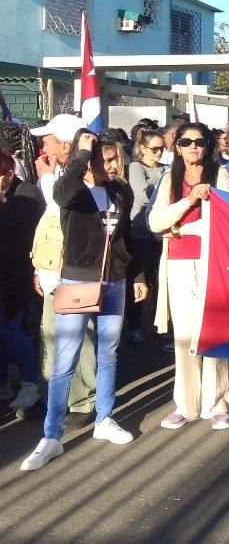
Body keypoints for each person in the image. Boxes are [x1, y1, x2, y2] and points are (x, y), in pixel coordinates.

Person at [20, 129, 145, 471]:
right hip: (77, 278)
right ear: (89, 161)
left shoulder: (119, 190)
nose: (113, 165)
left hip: (114, 282)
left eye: (115, 158)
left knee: (108, 353)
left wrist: (137, 276)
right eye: (104, 159)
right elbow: (60, 196)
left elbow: (126, 238)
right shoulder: (74, 190)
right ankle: (51, 436)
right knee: (65, 359)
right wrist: (80, 155)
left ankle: (105, 418)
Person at [149, 123, 229, 431]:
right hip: (178, 263)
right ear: (178, 147)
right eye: (186, 142)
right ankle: (186, 403)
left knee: (213, 331)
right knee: (184, 335)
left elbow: (226, 223)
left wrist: (178, 228)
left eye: (199, 142)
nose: (193, 147)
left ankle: (219, 401)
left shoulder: (221, 175)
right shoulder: (168, 179)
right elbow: (156, 222)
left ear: (209, 146)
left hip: (212, 262)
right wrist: (189, 202)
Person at [30, 113, 98, 429]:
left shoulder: (84, 177)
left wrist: (46, 180)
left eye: (49, 140)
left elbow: (63, 204)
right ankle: (53, 397)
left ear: (66, 145)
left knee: (79, 335)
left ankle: (84, 399)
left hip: (75, 268)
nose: (43, 146)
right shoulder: (59, 172)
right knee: (50, 335)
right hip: (50, 269)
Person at [0, 149, 46, 410]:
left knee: (10, 329)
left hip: (19, 275)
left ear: (8, 174)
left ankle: (31, 383)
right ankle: (4, 382)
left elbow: (13, 227)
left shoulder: (27, 193)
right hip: (4, 275)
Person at [124, 129, 166, 343]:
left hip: (163, 233)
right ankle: (133, 324)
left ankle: (160, 325)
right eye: (155, 148)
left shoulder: (167, 169)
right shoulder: (135, 167)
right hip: (140, 231)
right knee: (140, 279)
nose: (159, 153)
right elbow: (142, 194)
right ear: (142, 148)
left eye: (162, 148)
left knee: (161, 281)